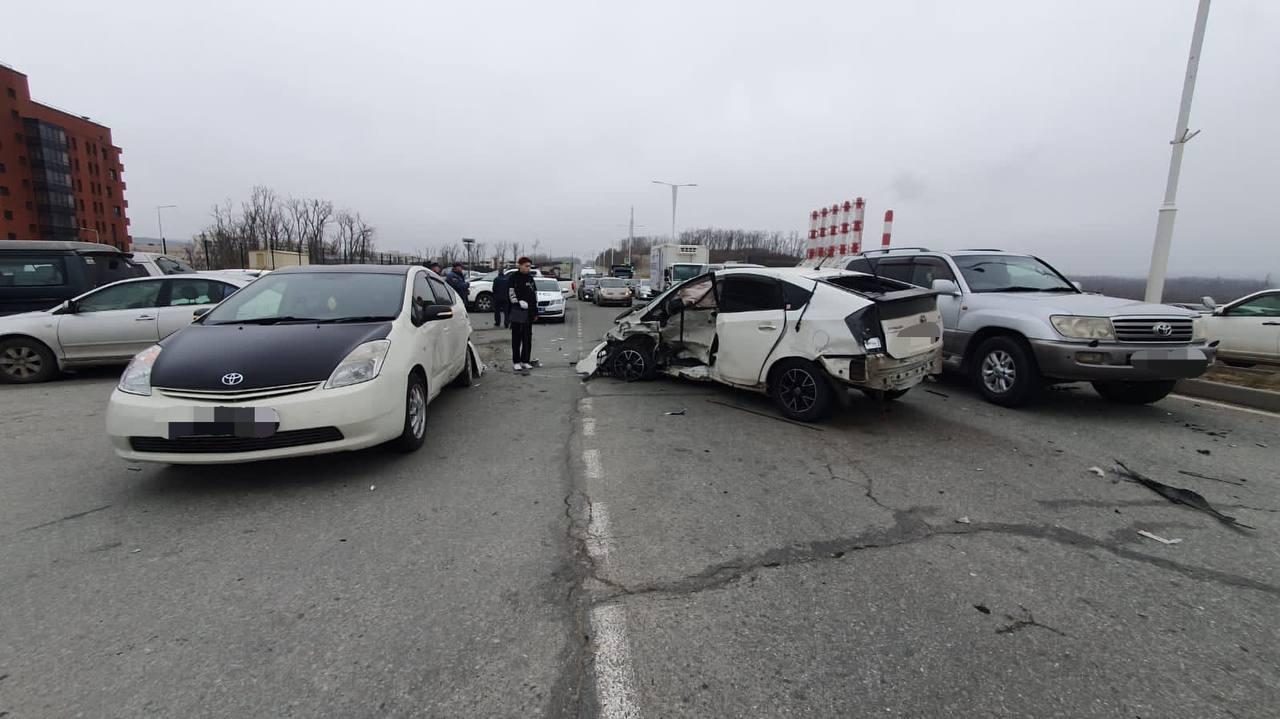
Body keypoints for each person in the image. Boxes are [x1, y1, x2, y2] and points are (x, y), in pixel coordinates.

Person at [508, 257, 538, 371]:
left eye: (529, 266)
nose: (528, 268)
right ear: (519, 265)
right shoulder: (513, 278)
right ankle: (516, 361)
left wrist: (535, 311)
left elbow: (534, 295)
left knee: (527, 337)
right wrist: (517, 303)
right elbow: (511, 293)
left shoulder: (530, 279)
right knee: (516, 337)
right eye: (526, 266)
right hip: (518, 311)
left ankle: (525, 360)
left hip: (529, 311)